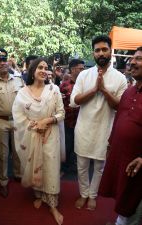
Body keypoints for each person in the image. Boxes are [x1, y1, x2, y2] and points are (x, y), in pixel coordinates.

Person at [70, 35, 127, 210]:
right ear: (93, 53)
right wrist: (95, 89)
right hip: (84, 128)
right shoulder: (84, 75)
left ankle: (93, 195)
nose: (101, 53)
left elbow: (119, 106)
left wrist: (104, 90)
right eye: (97, 50)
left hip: (105, 129)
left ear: (111, 51)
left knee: (99, 166)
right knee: (82, 166)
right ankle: (84, 194)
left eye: (104, 49)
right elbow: (74, 101)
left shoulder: (120, 78)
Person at [12, 57, 65, 225]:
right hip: (32, 134)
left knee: (50, 166)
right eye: (39, 67)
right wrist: (34, 125)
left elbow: (61, 113)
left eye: (45, 67)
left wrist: (46, 121)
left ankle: (52, 204)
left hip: (51, 134)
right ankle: (39, 195)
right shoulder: (23, 92)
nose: (43, 70)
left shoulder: (53, 89)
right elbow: (18, 115)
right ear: (33, 71)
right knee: (35, 163)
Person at [99, 46, 142, 225]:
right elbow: (119, 120)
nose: (132, 62)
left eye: (139, 59)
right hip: (121, 156)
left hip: (137, 164)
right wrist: (110, 144)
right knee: (122, 196)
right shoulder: (129, 91)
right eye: (133, 58)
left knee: (134, 203)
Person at [0, 48, 23, 197]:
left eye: (4, 59)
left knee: (18, 151)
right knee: (3, 154)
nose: (2, 63)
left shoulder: (18, 79)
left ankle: (18, 174)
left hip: (17, 121)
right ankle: (3, 181)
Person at [60, 59, 85, 173]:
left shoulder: (86, 85)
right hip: (67, 122)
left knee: (79, 146)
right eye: (81, 68)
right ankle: (64, 168)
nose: (83, 70)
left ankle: (76, 166)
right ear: (73, 69)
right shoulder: (64, 86)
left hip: (82, 122)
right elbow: (59, 103)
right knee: (67, 145)